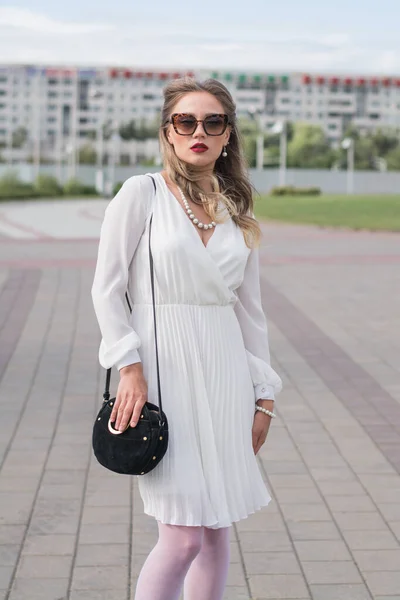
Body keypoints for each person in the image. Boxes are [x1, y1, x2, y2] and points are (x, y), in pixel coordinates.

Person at [91, 77, 282, 600]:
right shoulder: (142, 193)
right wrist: (129, 367)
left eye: (213, 121)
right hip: (163, 372)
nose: (199, 130)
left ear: (227, 136)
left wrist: (264, 399)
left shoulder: (237, 216)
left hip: (226, 378)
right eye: (186, 121)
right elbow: (106, 289)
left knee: (217, 531)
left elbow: (251, 315)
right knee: (180, 539)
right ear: (169, 132)